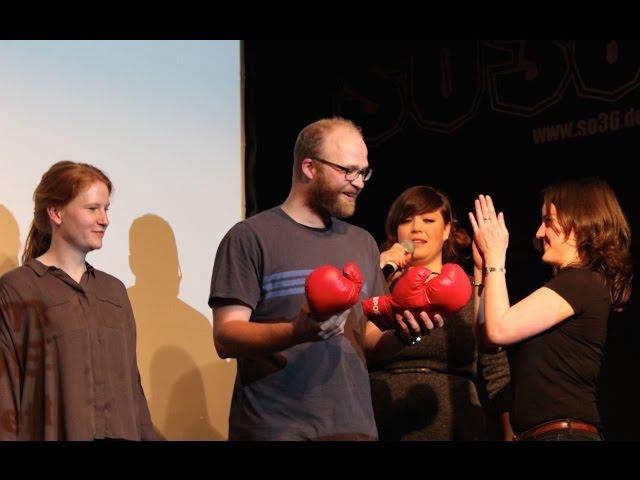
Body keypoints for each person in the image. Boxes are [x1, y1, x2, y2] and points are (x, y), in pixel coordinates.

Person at [209, 117, 442, 440]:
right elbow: (225, 336)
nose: (359, 182)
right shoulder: (251, 237)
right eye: (349, 171)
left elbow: (370, 339)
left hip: (352, 430)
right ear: (309, 167)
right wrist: (296, 331)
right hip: (274, 429)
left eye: (364, 172)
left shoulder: (362, 242)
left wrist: (406, 332)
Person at [0, 161, 155, 441]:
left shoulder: (114, 292)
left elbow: (133, 388)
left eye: (106, 209)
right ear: (56, 212)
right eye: (92, 208)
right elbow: (6, 392)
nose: (104, 219)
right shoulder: (18, 289)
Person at [469, 178, 633, 441]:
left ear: (580, 221)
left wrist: (497, 258)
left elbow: (499, 330)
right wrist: (481, 269)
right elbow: (488, 339)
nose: (539, 233)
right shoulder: (569, 284)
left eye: (548, 221)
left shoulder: (580, 282)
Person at [369, 186, 512, 440]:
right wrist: (380, 272)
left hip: (457, 424)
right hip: (384, 418)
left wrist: (509, 429)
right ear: (395, 231)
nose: (416, 228)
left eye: (428, 219)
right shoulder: (380, 283)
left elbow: (494, 366)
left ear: (447, 229)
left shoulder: (470, 286)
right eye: (406, 220)